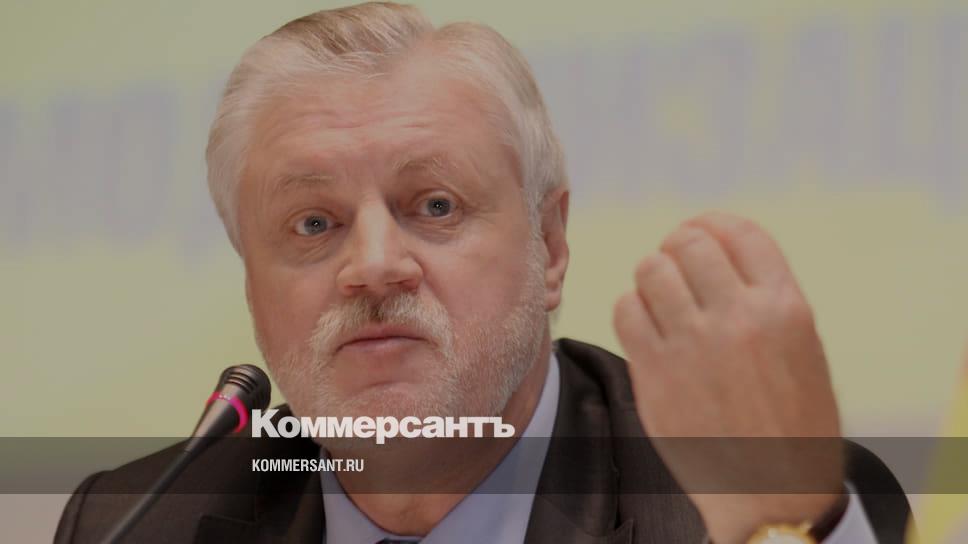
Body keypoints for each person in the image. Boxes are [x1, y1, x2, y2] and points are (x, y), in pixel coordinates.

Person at [55, 3, 912, 543]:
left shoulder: (747, 503)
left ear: (550, 244)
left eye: (435, 205)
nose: (373, 266)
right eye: (314, 224)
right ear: (251, 282)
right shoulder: (133, 523)